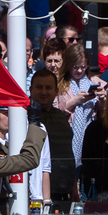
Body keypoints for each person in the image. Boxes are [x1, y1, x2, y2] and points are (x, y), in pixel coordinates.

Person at [30, 69, 76, 200]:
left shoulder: (61, 117)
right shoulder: (24, 116)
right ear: (31, 89)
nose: (44, 92)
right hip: (37, 191)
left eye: (48, 88)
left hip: (63, 188)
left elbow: (69, 153)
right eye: (39, 87)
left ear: (56, 91)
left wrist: (73, 187)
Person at [55, 44, 101, 169]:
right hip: (66, 138)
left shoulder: (94, 81)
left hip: (90, 138)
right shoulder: (58, 83)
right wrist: (74, 101)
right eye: (75, 67)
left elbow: (102, 113)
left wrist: (103, 99)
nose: (80, 71)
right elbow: (53, 112)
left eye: (83, 66)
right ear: (68, 65)